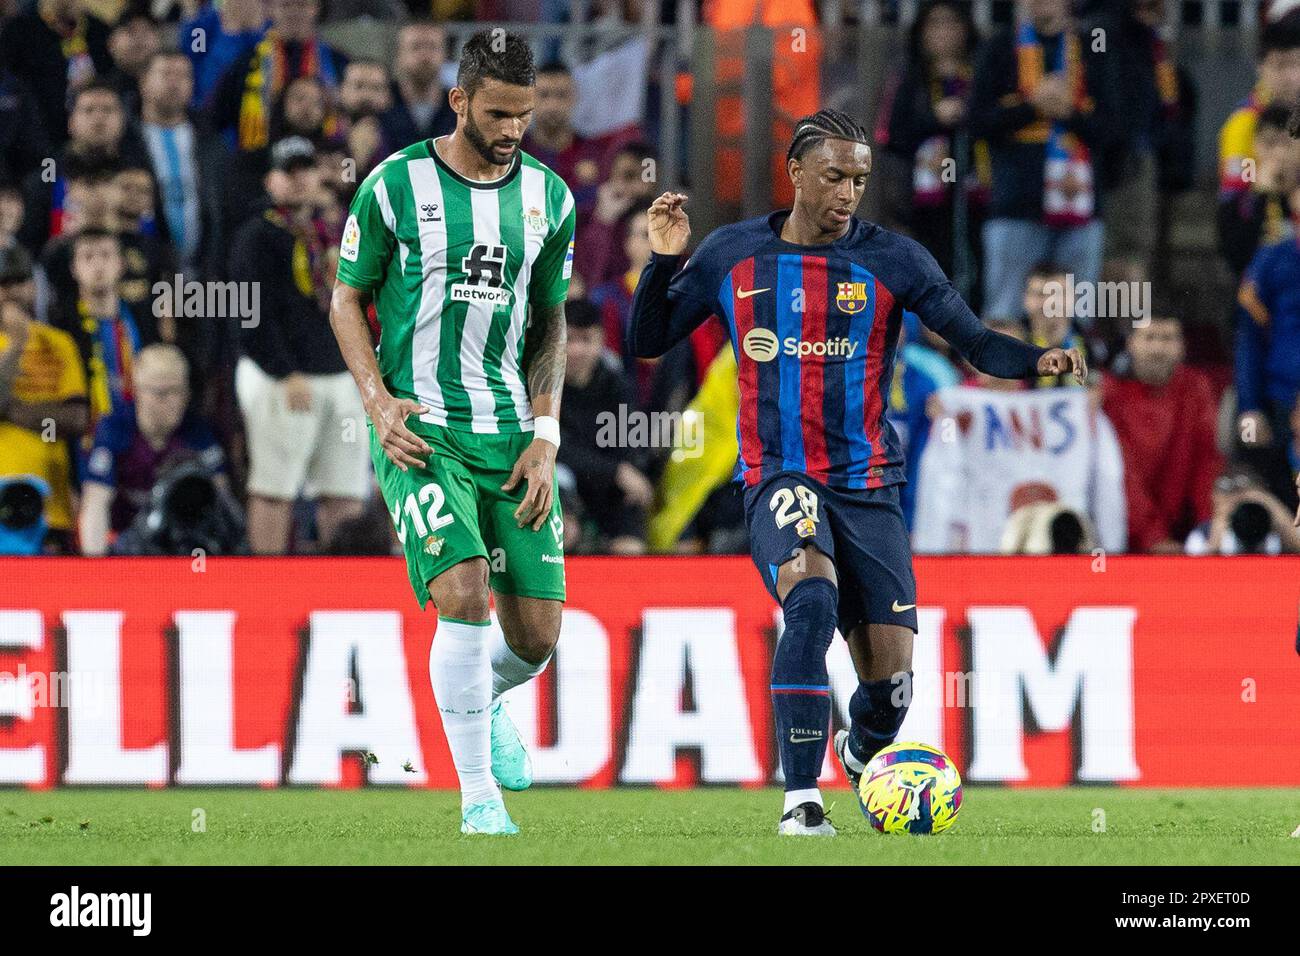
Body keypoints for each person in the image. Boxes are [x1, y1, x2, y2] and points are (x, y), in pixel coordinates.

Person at [628, 108, 1084, 836]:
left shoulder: (896, 260)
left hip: (869, 487)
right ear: (797, 173)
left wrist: (1038, 361)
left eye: (861, 180)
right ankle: (801, 801)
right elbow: (649, 338)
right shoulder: (730, 254)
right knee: (808, 600)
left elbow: (973, 342)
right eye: (835, 176)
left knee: (892, 689)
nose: (848, 193)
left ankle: (859, 747)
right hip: (780, 475)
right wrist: (662, 262)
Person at [329, 31, 575, 836]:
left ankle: (485, 699)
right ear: (458, 100)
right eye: (497, 113)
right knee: (464, 594)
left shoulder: (551, 197)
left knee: (534, 639)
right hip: (421, 431)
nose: (512, 131)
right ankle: (479, 799)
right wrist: (377, 403)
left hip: (511, 431)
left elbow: (550, 319)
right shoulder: (394, 185)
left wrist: (546, 434)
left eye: (525, 116)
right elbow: (345, 299)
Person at [229, 136, 366, 556]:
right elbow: (248, 312)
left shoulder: (338, 232)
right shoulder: (257, 235)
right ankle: (266, 587)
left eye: (306, 169)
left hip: (340, 374)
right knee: (274, 487)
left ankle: (342, 583)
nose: (299, 179)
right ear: (270, 180)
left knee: (344, 489)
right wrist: (283, 371)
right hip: (283, 378)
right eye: (288, 172)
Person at [968, 0, 1115, 324]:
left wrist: (1070, 114)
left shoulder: (1095, 47)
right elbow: (976, 123)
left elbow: (1115, 130)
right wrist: (1032, 107)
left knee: (1075, 314)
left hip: (1080, 204)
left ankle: (1069, 376)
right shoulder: (999, 47)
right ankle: (1004, 377)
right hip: (1014, 203)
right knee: (1004, 314)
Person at [79, 343, 226, 556]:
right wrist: (95, 566)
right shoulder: (114, 429)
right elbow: (96, 501)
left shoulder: (198, 433)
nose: (174, 402)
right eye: (162, 393)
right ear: (138, 391)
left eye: (179, 391)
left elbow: (221, 502)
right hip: (125, 545)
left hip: (181, 547)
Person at [1101, 313, 1220, 553]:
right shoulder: (1108, 394)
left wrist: (1208, 528)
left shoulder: (1197, 388)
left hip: (1186, 534)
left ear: (1182, 347)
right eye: (1149, 338)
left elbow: (1206, 463)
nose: (1158, 349)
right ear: (1131, 343)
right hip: (1122, 536)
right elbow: (1121, 474)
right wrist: (1153, 537)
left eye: (1167, 339)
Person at [0, 245, 88, 552]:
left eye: (17, 283)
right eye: (1, 285)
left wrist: (14, 411)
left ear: (32, 286)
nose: (8, 293)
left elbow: (77, 419)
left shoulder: (59, 343)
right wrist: (16, 345)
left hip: (52, 508)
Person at [558, 299, 651, 554]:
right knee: (563, 531)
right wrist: (617, 471)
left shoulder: (618, 385)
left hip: (607, 491)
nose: (576, 350)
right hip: (563, 487)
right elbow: (556, 447)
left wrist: (627, 472)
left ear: (600, 341)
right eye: (569, 339)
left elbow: (630, 444)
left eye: (586, 340)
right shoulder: (544, 389)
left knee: (631, 547)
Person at [380, 19, 456, 150]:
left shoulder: (459, 108)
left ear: (445, 55)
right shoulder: (381, 105)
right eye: (416, 47)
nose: (425, 56)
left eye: (432, 47)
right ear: (399, 55)